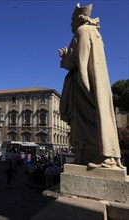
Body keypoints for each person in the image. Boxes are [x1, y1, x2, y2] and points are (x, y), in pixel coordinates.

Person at [58, 3, 124, 169]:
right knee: (89, 123)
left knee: (86, 123)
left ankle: (96, 155)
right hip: (93, 85)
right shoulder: (93, 33)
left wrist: (66, 58)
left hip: (84, 88)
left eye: (71, 21)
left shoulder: (83, 32)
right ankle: (90, 155)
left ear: (79, 19)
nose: (70, 24)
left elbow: (79, 61)